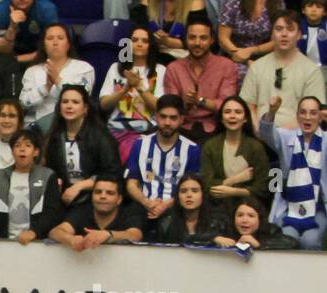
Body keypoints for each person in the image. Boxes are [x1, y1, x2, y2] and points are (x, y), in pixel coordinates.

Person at [125, 94, 203, 231]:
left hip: (176, 208)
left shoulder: (192, 150)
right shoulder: (139, 145)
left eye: (173, 118)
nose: (167, 122)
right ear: (155, 116)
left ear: (181, 120)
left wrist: (164, 206)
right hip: (143, 206)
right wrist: (147, 202)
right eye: (163, 116)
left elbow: (192, 187)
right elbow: (132, 184)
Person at [259, 94, 327, 247]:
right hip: (289, 207)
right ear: (297, 116)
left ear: (320, 117)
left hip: (318, 208)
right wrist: (272, 112)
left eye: (313, 113)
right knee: (286, 239)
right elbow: (265, 133)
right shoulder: (286, 137)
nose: (307, 117)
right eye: (303, 112)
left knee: (310, 241)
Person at [0, 128, 66, 243]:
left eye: (28, 145)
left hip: (37, 242)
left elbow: (52, 212)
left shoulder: (48, 176)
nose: (22, 149)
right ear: (12, 151)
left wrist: (34, 231)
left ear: (36, 152)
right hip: (3, 242)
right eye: (17, 145)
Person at [241, 12, 326, 129]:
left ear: (299, 34)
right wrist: (259, 130)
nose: (284, 34)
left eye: (290, 30)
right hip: (260, 134)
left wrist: (282, 136)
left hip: (297, 136)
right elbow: (248, 105)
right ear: (272, 34)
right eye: (279, 29)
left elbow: (313, 113)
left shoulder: (311, 70)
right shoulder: (257, 67)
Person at [43, 85, 122, 210]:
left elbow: (113, 173)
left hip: (93, 199)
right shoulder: (54, 137)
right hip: (63, 199)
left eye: (75, 102)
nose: (69, 106)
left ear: (85, 108)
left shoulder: (101, 137)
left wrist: (80, 186)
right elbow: (51, 171)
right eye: (65, 102)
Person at [164, 18, 241, 142]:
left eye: (203, 38)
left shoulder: (226, 66)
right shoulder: (174, 68)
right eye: (192, 37)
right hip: (181, 128)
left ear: (212, 40)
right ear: (185, 39)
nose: (197, 43)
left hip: (217, 128)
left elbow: (226, 104)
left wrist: (199, 101)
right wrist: (186, 103)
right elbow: (171, 106)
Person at [100, 25, 167, 162]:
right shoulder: (116, 68)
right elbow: (103, 104)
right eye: (135, 40)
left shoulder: (160, 70)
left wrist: (139, 87)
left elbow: (159, 107)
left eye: (145, 41)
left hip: (148, 130)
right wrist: (125, 90)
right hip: (116, 129)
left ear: (151, 45)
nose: (139, 44)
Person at [19, 24, 97, 131]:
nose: (55, 43)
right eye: (50, 38)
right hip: (36, 128)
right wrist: (45, 88)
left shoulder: (84, 68)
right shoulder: (32, 71)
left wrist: (58, 81)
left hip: (72, 125)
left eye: (60, 38)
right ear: (44, 45)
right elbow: (24, 103)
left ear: (68, 44)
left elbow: (84, 97)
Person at [200, 95, 273, 208]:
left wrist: (233, 192)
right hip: (216, 208)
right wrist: (235, 179)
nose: (232, 116)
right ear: (221, 118)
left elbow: (263, 188)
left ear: (245, 118)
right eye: (228, 112)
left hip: (248, 208)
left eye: (238, 112)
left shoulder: (255, 147)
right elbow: (206, 185)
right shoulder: (210, 146)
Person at [50, 175, 149, 249]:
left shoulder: (129, 211)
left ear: (119, 199)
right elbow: (55, 232)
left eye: (110, 193)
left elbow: (135, 235)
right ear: (92, 196)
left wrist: (108, 235)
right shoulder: (83, 210)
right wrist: (71, 239)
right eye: (98, 192)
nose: (103, 196)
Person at [151, 171, 226, 240]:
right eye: (183, 191)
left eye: (195, 191)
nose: (189, 195)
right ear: (178, 196)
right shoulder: (166, 222)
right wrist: (212, 238)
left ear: (203, 195)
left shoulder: (217, 222)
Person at [219, 0, 276, 80]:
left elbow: (276, 42)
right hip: (234, 55)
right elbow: (223, 38)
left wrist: (251, 51)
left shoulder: (278, 4)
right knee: (248, 75)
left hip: (264, 56)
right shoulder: (232, 3)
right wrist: (244, 59)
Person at [212, 195, 300, 246]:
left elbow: (293, 243)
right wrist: (215, 238)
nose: (244, 220)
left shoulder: (271, 230)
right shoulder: (226, 228)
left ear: (259, 219)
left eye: (251, 216)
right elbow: (200, 236)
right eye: (240, 215)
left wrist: (259, 244)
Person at [0, 0, 61, 64]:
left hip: (40, 57)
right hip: (9, 59)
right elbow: (0, 50)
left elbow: (53, 46)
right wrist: (12, 28)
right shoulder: (0, 11)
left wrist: (18, 59)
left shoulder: (46, 9)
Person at [141, 0, 207, 58]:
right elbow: (132, 36)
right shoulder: (147, 2)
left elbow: (199, 42)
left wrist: (167, 41)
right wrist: (130, 61)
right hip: (152, 59)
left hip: (185, 61)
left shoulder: (195, 4)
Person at [299, 0, 327, 88]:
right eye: (310, 6)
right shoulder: (297, 27)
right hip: (302, 69)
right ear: (303, 10)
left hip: (324, 69)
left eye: (318, 7)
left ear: (325, 12)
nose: (314, 10)